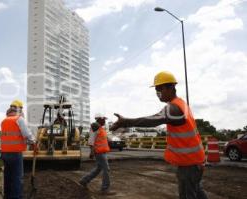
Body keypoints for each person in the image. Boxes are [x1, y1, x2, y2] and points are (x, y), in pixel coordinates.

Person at [110, 71, 208, 199]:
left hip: (189, 164)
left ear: (171, 87)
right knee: (197, 192)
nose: (157, 93)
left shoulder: (173, 108)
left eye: (159, 89)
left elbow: (153, 120)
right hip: (194, 161)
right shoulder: (181, 104)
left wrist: (126, 122)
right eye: (156, 90)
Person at [0, 100, 36, 199]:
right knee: (17, 178)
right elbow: (27, 134)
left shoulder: (4, 121)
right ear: (19, 109)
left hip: (4, 153)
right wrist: (34, 141)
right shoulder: (19, 119)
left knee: (8, 177)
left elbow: (12, 136)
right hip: (15, 153)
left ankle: (7, 196)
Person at [79, 114, 115, 195]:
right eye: (103, 119)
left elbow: (103, 138)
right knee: (106, 169)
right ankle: (105, 189)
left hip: (102, 152)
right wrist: (91, 152)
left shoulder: (100, 128)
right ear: (99, 119)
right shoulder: (95, 128)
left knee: (98, 169)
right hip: (99, 152)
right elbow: (91, 141)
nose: (105, 121)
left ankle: (83, 181)